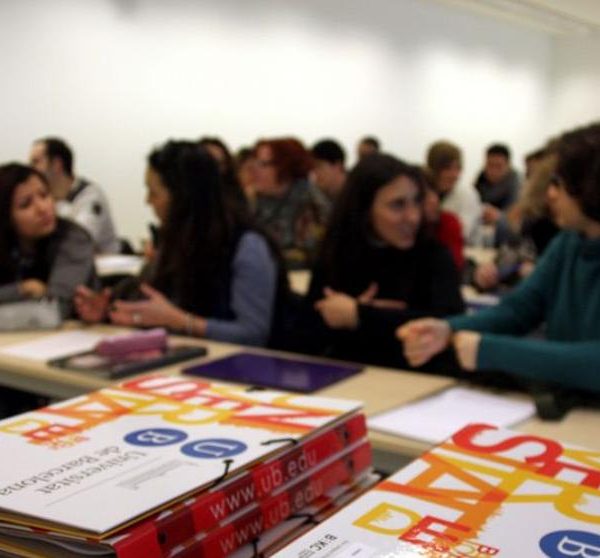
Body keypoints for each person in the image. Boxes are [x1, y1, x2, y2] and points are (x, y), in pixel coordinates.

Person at [398, 122, 600, 393]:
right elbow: (518, 310)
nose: (550, 194)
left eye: (560, 184)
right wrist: (447, 329)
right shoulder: (569, 242)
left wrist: (489, 350)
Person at [75, 140, 285, 347]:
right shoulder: (176, 241)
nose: (148, 201)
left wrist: (180, 321)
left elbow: (253, 334)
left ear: (181, 197)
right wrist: (108, 312)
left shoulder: (247, 245)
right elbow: (150, 303)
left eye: (154, 192)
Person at [295, 153, 464, 368]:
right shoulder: (337, 253)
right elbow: (306, 336)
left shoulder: (433, 256)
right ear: (364, 209)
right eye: (397, 205)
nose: (413, 216)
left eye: (416, 202)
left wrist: (361, 316)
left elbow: (450, 325)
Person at [0, 163, 96, 318]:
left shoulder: (74, 238)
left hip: (74, 330)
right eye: (25, 204)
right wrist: (22, 290)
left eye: (44, 195)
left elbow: (56, 308)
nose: (42, 208)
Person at [29, 137, 120, 254]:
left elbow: (78, 243)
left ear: (56, 164)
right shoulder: (47, 199)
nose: (31, 169)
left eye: (35, 162)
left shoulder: (90, 197)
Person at [253, 137, 330, 269]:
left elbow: (308, 257)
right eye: (255, 163)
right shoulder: (256, 200)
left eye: (264, 164)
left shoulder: (311, 204)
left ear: (285, 167)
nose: (255, 170)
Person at [426, 140, 481, 242]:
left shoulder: (467, 194)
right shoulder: (423, 192)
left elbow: (462, 233)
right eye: (447, 168)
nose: (454, 175)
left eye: (457, 168)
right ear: (433, 168)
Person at [422, 178, 464, 271]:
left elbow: (455, 264)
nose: (433, 200)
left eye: (434, 193)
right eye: (424, 196)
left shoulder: (448, 221)